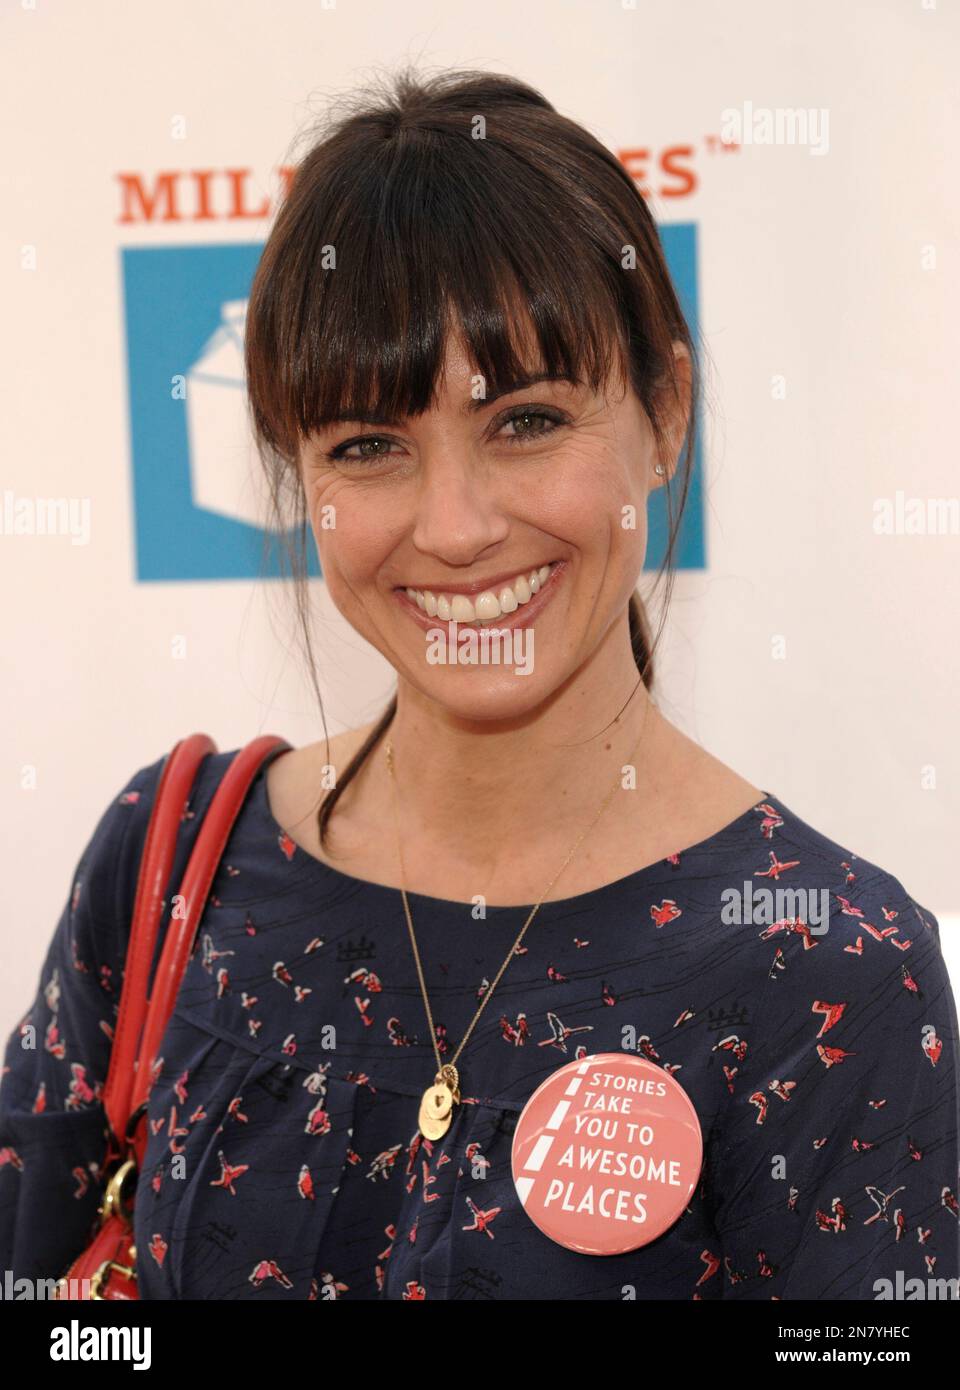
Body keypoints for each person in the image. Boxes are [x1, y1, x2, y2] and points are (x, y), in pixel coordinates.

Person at [1, 68, 957, 1302]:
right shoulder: (176, 857)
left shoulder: (830, 965)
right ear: (301, 478)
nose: (454, 528)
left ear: (666, 410)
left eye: (525, 422)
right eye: (369, 446)